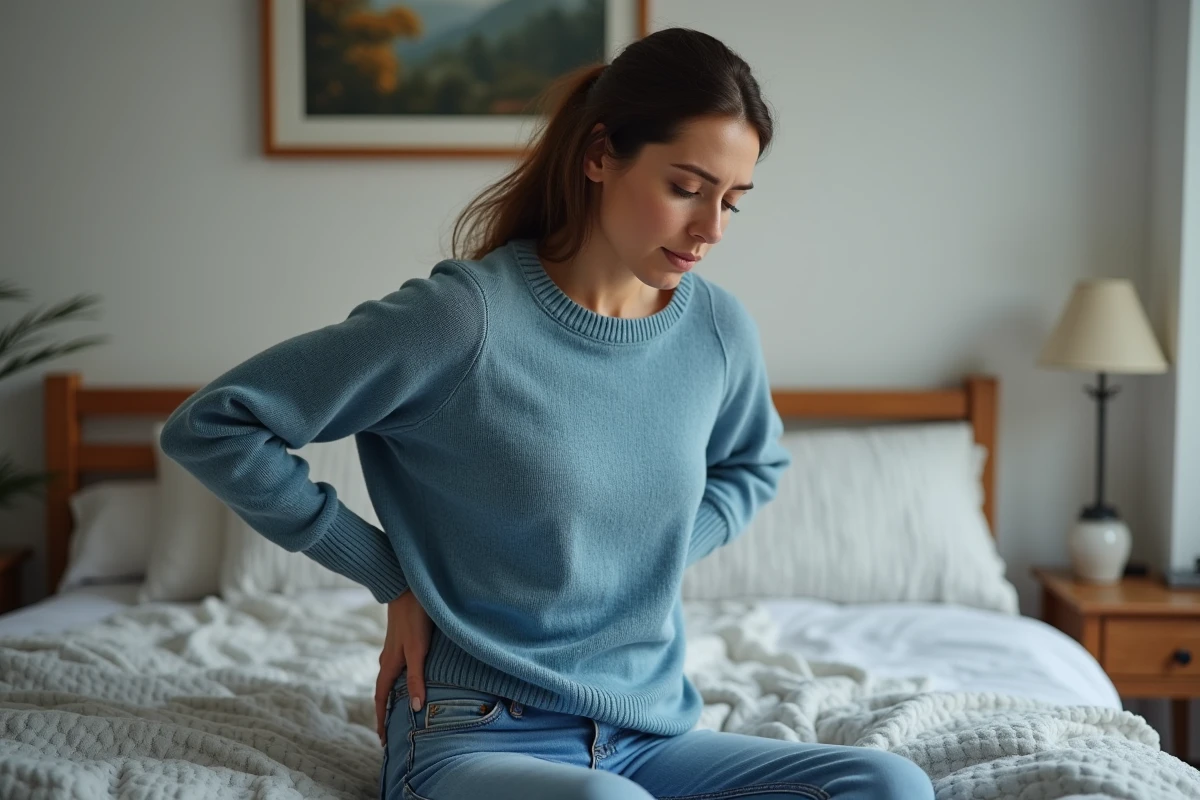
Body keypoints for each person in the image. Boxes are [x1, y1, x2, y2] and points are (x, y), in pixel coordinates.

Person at [159, 25, 935, 800]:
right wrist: (389, 576)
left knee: (887, 784)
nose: (711, 229)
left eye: (733, 200)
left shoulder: (717, 331)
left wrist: (650, 556)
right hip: (473, 729)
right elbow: (216, 425)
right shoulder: (463, 319)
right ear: (600, 155)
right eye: (686, 188)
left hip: (647, 733)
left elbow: (752, 465)